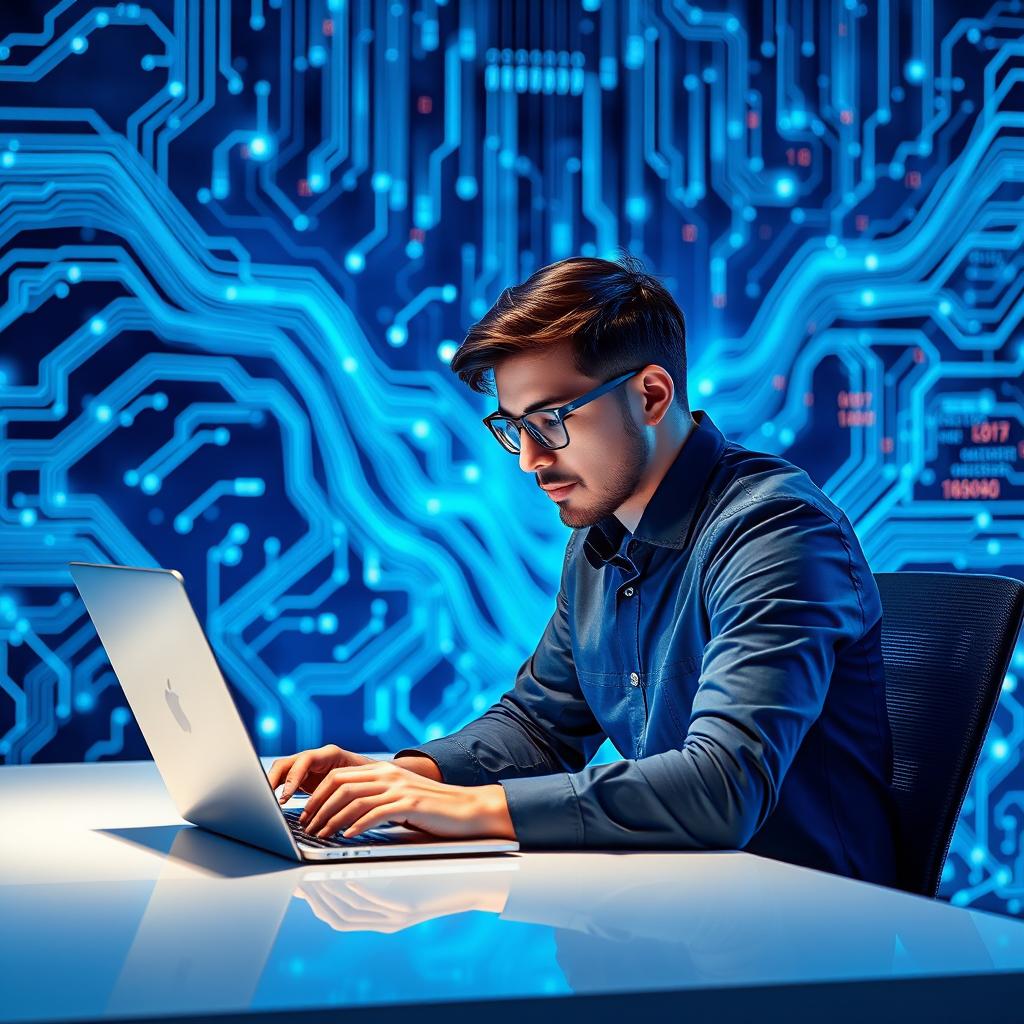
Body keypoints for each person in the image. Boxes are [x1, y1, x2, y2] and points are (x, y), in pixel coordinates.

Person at [268, 254, 899, 885]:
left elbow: (722, 787)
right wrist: (410, 776)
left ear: (651, 395)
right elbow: (541, 726)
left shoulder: (776, 531)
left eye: (551, 421)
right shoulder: (603, 533)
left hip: (804, 935)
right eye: (516, 429)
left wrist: (473, 808)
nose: (530, 461)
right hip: (670, 909)